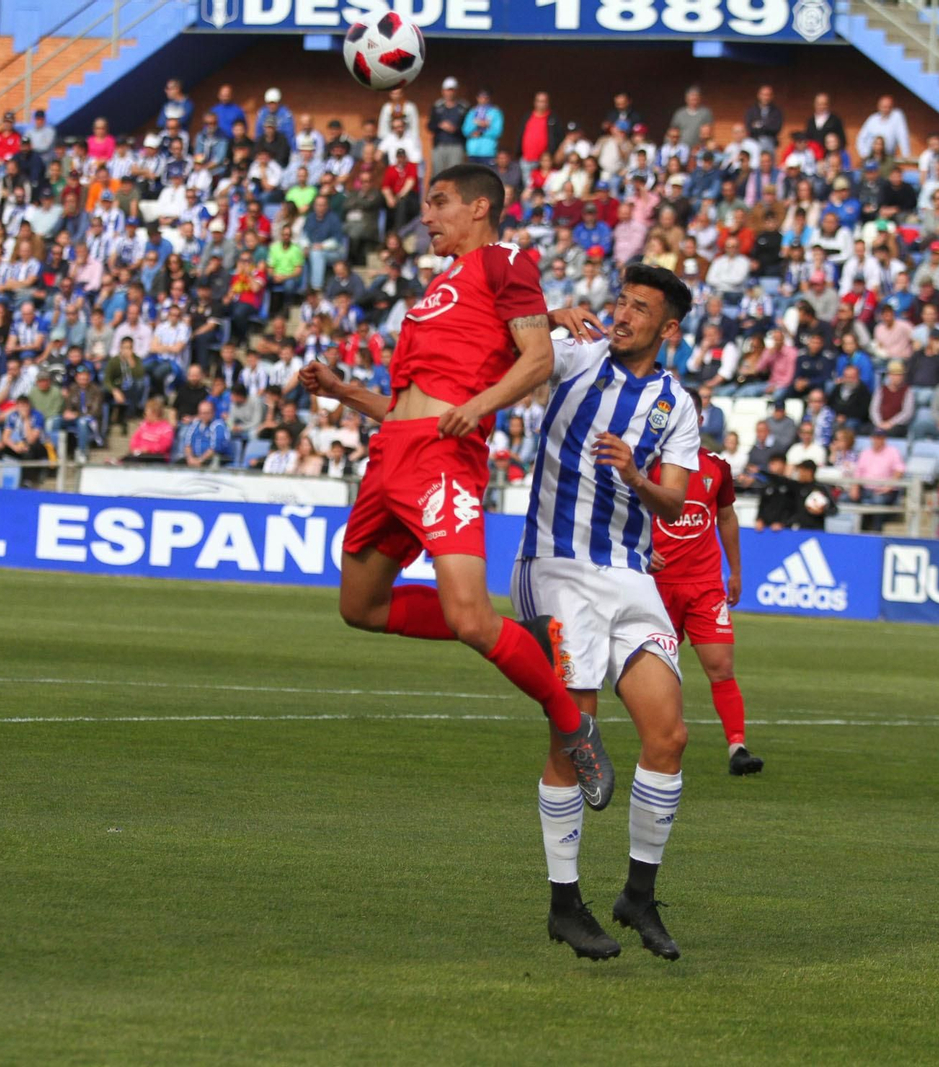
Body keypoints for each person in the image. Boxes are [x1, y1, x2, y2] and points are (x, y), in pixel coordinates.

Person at [298, 163, 613, 810]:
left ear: (479, 207)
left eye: (439, 202)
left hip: (443, 457)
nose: (427, 217)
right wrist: (342, 391)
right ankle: (523, 635)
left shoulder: (505, 259)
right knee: (360, 607)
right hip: (391, 454)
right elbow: (405, 405)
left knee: (470, 618)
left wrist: (479, 405)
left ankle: (572, 724)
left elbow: (537, 359)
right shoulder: (440, 287)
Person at [504, 265, 700, 961]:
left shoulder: (676, 403)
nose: (621, 314)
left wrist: (635, 474)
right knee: (573, 734)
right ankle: (564, 904)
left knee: (669, 734)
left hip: (630, 576)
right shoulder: (576, 357)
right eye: (621, 300)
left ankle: (638, 895)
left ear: (667, 328)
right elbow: (507, 344)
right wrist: (546, 314)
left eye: (639, 308)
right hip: (557, 569)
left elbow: (675, 500)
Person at [648, 391, 762, 777]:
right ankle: (664, 740)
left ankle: (738, 747)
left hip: (705, 585)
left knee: (721, 667)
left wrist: (736, 571)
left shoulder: (716, 467)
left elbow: (726, 517)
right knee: (659, 671)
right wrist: (641, 549)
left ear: (697, 419)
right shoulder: (647, 465)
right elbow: (623, 511)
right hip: (656, 585)